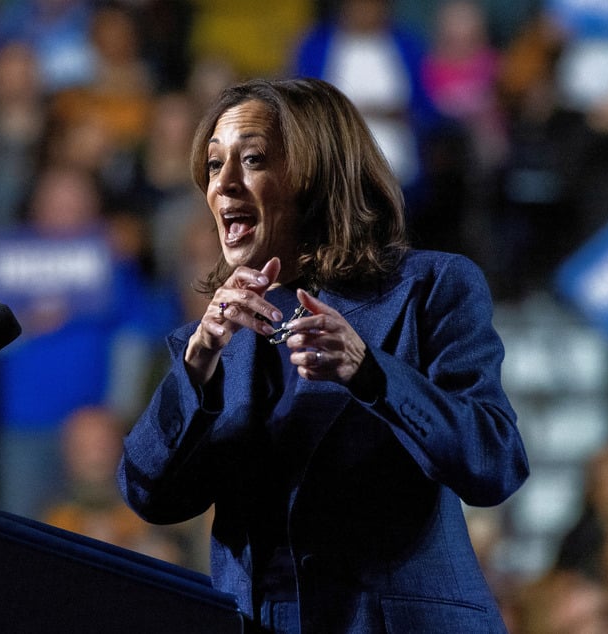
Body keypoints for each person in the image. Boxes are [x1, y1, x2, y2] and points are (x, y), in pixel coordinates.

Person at [116, 77, 530, 633]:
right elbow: (150, 496)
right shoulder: (209, 345)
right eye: (215, 167)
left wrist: (371, 373)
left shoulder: (430, 288)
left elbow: (494, 462)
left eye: (254, 159)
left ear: (317, 174)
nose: (225, 186)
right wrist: (196, 369)